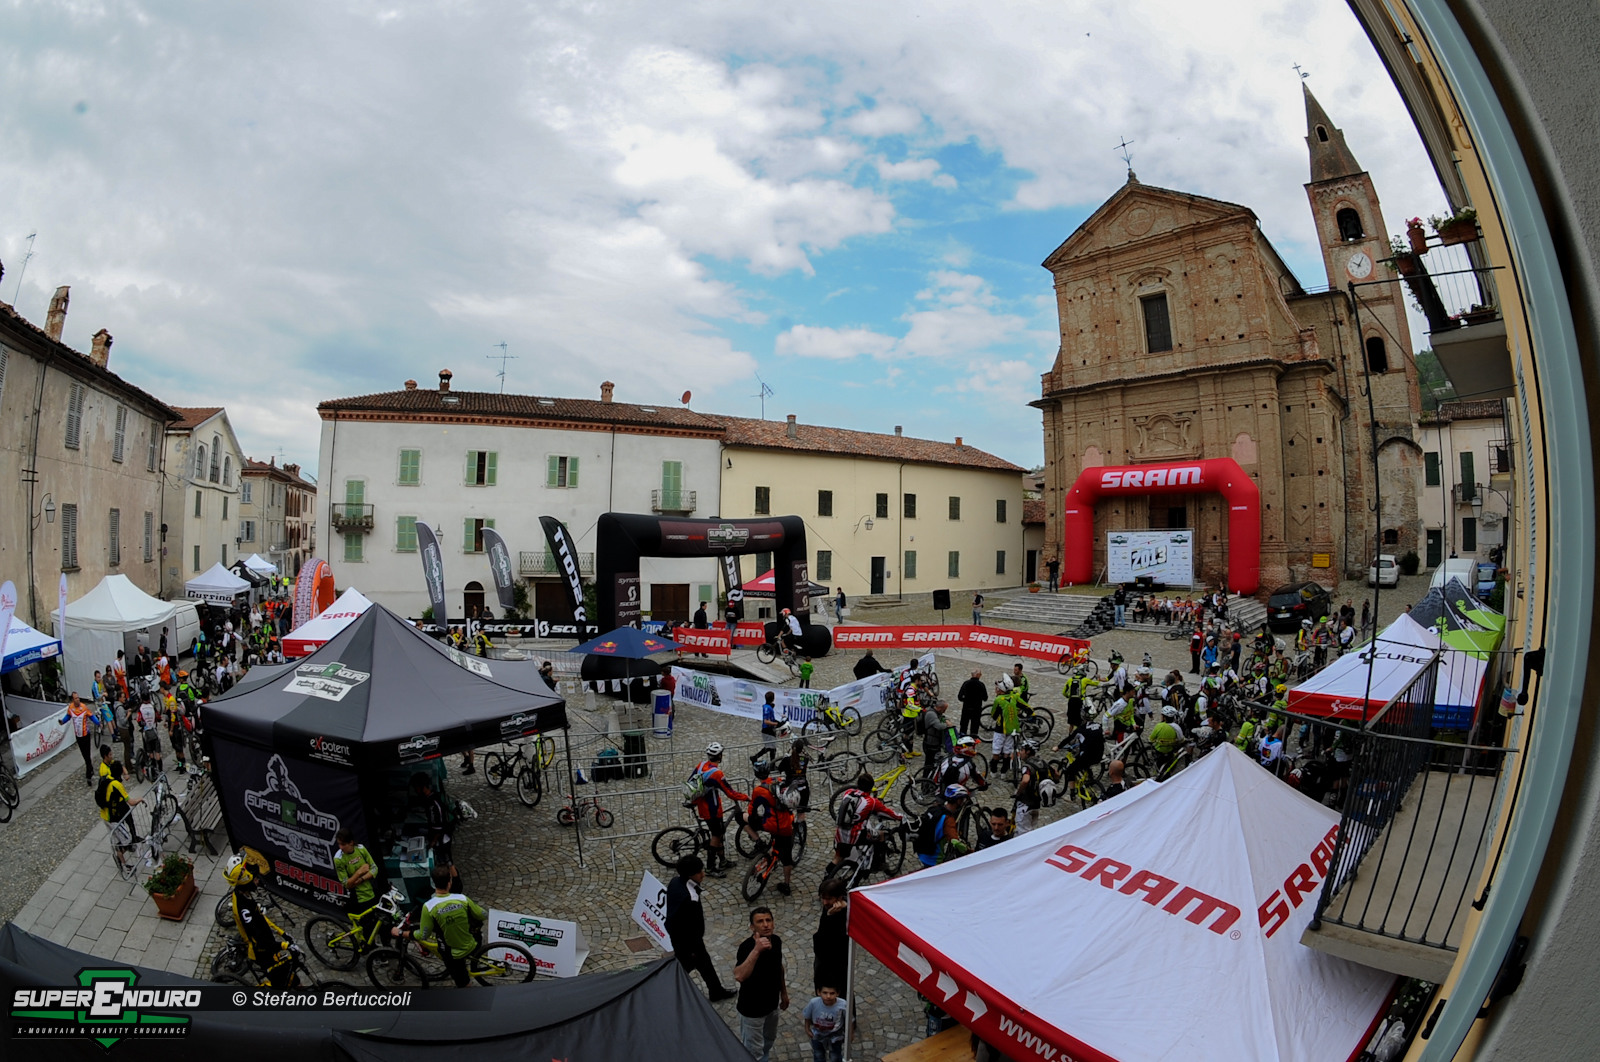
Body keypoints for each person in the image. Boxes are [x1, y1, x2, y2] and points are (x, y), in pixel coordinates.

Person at [400, 865, 486, 988]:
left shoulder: (429, 907)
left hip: (453, 954)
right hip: (474, 943)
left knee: (463, 983)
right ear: (449, 882)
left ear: (434, 883)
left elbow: (423, 935)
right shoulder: (462, 899)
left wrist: (402, 933)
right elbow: (483, 914)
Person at [665, 854, 736, 1001]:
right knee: (688, 965)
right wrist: (693, 948)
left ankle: (715, 991)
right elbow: (692, 925)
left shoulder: (675, 882)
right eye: (699, 872)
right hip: (689, 942)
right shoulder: (690, 898)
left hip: (679, 937)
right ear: (690, 875)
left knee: (704, 965)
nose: (703, 874)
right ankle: (668, 992)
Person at [225, 852, 298, 987]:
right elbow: (261, 940)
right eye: (255, 879)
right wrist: (284, 945)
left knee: (291, 978)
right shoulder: (243, 909)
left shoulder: (244, 895)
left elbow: (262, 919)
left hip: (268, 944)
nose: (258, 881)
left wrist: (282, 933)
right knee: (279, 984)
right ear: (245, 882)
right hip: (261, 951)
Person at [733, 907, 789, 1062]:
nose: (766, 925)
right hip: (752, 1010)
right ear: (752, 927)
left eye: (768, 920)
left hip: (771, 1006)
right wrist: (756, 950)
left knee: (769, 1040)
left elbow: (779, 968)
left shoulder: (776, 941)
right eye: (760, 921)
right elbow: (739, 975)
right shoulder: (746, 947)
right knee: (753, 1051)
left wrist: (783, 992)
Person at [688, 743, 749, 877]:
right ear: (719, 756)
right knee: (716, 836)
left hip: (702, 806)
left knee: (720, 834)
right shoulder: (717, 773)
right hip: (712, 809)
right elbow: (730, 793)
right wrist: (746, 797)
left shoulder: (701, 765)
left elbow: (690, 781)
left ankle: (722, 861)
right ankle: (710, 868)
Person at [829, 772, 902, 875]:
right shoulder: (871, 802)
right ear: (871, 787)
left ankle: (827, 876)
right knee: (880, 835)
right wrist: (901, 817)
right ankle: (879, 863)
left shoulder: (848, 793)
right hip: (856, 835)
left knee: (838, 858)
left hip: (841, 832)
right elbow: (889, 813)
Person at [747, 764, 796, 895]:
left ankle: (758, 841)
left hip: (770, 824)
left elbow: (753, 807)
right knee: (787, 858)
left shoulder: (759, 790)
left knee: (742, 818)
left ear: (756, 775)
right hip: (785, 825)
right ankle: (786, 884)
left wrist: (753, 819)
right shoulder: (779, 781)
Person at [914, 785, 971, 867]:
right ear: (958, 800)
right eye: (962, 799)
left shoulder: (934, 809)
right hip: (934, 858)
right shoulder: (948, 820)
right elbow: (955, 842)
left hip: (921, 851)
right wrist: (969, 851)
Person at [811, 877, 849, 996]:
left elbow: (821, 941)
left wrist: (829, 918)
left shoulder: (842, 915)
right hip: (823, 964)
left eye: (828, 899)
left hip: (836, 966)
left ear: (839, 898)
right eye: (823, 898)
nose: (825, 902)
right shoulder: (830, 909)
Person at [333, 827, 381, 918]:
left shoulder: (361, 849)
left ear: (351, 842)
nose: (340, 847)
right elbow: (347, 884)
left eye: (343, 844)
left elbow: (375, 868)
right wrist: (359, 872)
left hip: (372, 893)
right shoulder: (338, 859)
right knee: (366, 927)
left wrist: (361, 879)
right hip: (358, 898)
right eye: (339, 844)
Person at [803, 984, 848, 1062]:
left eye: (832, 993)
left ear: (837, 993)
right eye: (825, 993)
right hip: (817, 1035)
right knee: (818, 1055)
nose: (828, 996)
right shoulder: (813, 1003)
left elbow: (849, 1019)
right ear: (819, 992)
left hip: (836, 1037)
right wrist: (807, 1029)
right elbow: (807, 1016)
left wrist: (849, 1034)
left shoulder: (843, 1004)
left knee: (835, 1056)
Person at [1013, 740, 1043, 832]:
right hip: (1036, 805)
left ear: (1028, 751)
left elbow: (1025, 780)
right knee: (1031, 831)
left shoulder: (1027, 766)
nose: (1020, 753)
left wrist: (1018, 793)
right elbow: (1056, 776)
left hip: (1025, 804)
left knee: (1022, 833)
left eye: (1022, 750)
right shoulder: (1042, 762)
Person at [68, 693, 96, 786]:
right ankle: (90, 768)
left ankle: (88, 775)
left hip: (86, 735)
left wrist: (98, 722)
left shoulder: (84, 707)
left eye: (78, 698)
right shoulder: (71, 708)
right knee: (85, 756)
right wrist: (61, 721)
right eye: (75, 698)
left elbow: (91, 716)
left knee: (87, 755)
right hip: (78, 736)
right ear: (73, 700)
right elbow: (68, 716)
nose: (78, 699)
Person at [956, 669, 987, 739]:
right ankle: (973, 740)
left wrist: (965, 700)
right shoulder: (981, 685)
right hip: (977, 709)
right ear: (978, 675)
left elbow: (959, 697)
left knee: (964, 725)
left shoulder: (966, 683)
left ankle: (962, 738)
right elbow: (985, 698)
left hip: (966, 707)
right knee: (974, 726)